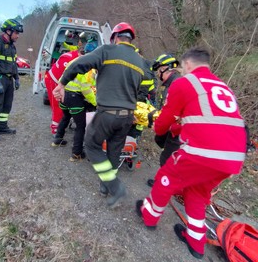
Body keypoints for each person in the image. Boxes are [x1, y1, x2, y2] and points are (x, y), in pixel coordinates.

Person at [136, 47, 246, 259]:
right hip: (233, 157)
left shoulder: (186, 83)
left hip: (204, 152)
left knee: (165, 178)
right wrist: (178, 128)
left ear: (187, 65)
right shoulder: (223, 87)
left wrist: (158, 129)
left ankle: (148, 215)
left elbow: (166, 119)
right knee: (196, 193)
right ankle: (196, 240)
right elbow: (201, 120)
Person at [53, 22, 145, 208]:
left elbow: (79, 63)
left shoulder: (107, 51)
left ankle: (115, 186)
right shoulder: (140, 61)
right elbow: (141, 90)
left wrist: (62, 83)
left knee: (92, 145)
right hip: (127, 116)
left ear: (115, 37)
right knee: (113, 152)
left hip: (107, 113)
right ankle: (105, 187)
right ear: (130, 40)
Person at [52, 40, 98, 161]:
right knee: (80, 126)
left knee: (65, 117)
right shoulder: (88, 67)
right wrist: (95, 102)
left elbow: (62, 78)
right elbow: (86, 89)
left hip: (65, 96)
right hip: (75, 98)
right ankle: (76, 153)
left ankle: (57, 139)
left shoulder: (73, 61)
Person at [146, 53, 181, 187]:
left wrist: (157, 124)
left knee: (166, 158)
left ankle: (162, 183)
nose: (158, 74)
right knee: (160, 140)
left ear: (165, 69)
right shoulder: (171, 84)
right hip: (175, 128)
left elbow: (172, 113)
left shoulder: (175, 84)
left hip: (178, 130)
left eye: (159, 70)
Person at [0, 19, 23, 143]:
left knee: (7, 105)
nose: (17, 36)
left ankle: (2, 127)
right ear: (8, 31)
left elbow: (14, 64)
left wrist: (16, 78)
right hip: (0, 78)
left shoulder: (12, 46)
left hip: (9, 80)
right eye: (16, 33)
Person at [44, 44, 84, 136]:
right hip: (52, 80)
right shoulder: (69, 59)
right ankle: (55, 130)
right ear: (80, 53)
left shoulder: (73, 55)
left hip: (57, 80)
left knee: (60, 105)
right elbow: (66, 75)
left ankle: (58, 124)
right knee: (57, 105)